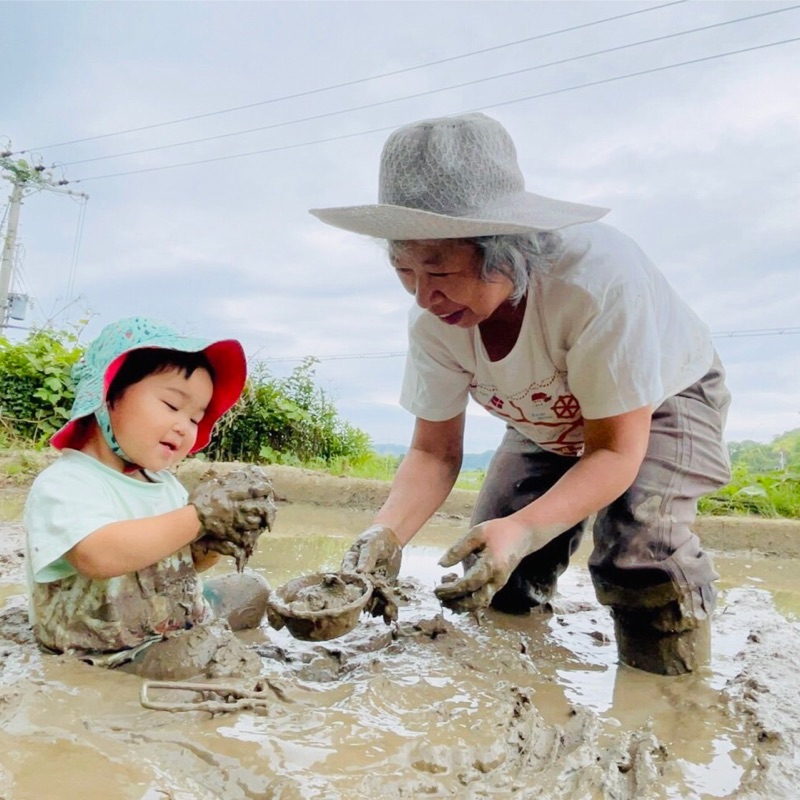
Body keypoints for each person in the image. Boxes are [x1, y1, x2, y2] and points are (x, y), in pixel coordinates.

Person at [310, 112, 731, 676]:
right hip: (546, 414)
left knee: (639, 547)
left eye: (439, 271)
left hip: (662, 400)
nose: (423, 296)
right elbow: (434, 452)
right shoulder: (432, 321)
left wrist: (531, 525)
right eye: (404, 270)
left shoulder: (598, 284)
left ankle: (670, 696)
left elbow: (612, 451)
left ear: (505, 251)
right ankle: (518, 686)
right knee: (492, 564)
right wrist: (384, 536)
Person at [24, 316, 276, 673]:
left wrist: (216, 540)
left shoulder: (164, 484)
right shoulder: (67, 482)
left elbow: (185, 563)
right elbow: (97, 556)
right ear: (108, 397)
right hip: (108, 648)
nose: (184, 427)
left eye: (195, 418)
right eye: (173, 406)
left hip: (171, 620)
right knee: (208, 655)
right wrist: (199, 516)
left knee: (253, 588)